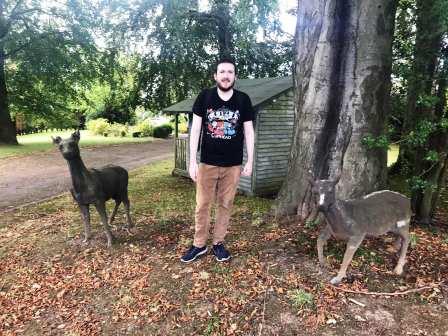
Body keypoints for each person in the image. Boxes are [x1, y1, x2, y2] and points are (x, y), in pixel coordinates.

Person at [180, 58, 255, 263]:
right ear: (215, 76)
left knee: (225, 204)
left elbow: (249, 131)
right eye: (222, 71)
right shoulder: (205, 97)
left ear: (235, 76)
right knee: (202, 204)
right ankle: (199, 245)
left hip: (233, 164)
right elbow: (195, 129)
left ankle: (219, 243)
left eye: (230, 72)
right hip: (207, 162)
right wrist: (192, 161)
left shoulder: (243, 100)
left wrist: (250, 160)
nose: (226, 75)